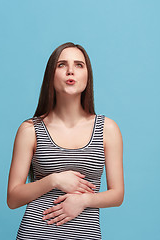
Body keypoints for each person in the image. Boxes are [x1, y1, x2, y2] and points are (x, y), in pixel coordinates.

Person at [7, 42, 124, 239]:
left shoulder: (107, 129)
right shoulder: (30, 130)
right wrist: (54, 180)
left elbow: (117, 194)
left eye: (79, 65)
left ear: (88, 76)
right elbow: (13, 198)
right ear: (51, 76)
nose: (71, 71)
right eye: (62, 65)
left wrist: (84, 200)